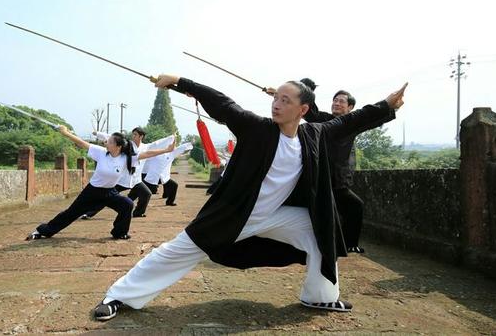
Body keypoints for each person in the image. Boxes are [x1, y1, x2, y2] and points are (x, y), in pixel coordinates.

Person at [93, 74, 406, 320]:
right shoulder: (258, 129)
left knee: (320, 230)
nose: (277, 104)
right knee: (177, 251)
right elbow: (223, 104)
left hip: (278, 215)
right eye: (277, 98)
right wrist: (179, 82)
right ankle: (117, 296)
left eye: (286, 100)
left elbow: (351, 121)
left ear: (303, 110)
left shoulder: (314, 134)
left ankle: (320, 295)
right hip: (236, 214)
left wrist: (387, 106)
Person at [25, 126, 175, 241]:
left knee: (127, 205)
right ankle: (43, 231)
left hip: (109, 192)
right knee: (70, 213)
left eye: (109, 142)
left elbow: (148, 154)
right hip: (92, 192)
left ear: (118, 146)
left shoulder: (127, 158)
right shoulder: (100, 152)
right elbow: (81, 143)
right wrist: (65, 132)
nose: (106, 142)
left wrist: (166, 150)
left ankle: (119, 233)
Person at [302, 78, 390, 254]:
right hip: (320, 177)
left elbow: (371, 118)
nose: (336, 103)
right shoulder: (324, 121)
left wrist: (391, 107)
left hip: (340, 181)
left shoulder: (352, 124)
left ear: (350, 108)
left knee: (354, 206)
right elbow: (310, 111)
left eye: (341, 101)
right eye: (335, 100)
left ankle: (351, 244)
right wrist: (305, 88)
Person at [83, 128, 174, 218]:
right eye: (133, 134)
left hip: (136, 180)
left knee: (146, 194)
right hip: (122, 179)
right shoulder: (127, 144)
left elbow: (157, 143)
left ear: (141, 136)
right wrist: (97, 133)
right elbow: (110, 137)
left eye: (135, 135)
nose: (133, 136)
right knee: (107, 196)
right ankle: (89, 213)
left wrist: (171, 138)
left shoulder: (146, 147)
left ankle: (138, 213)